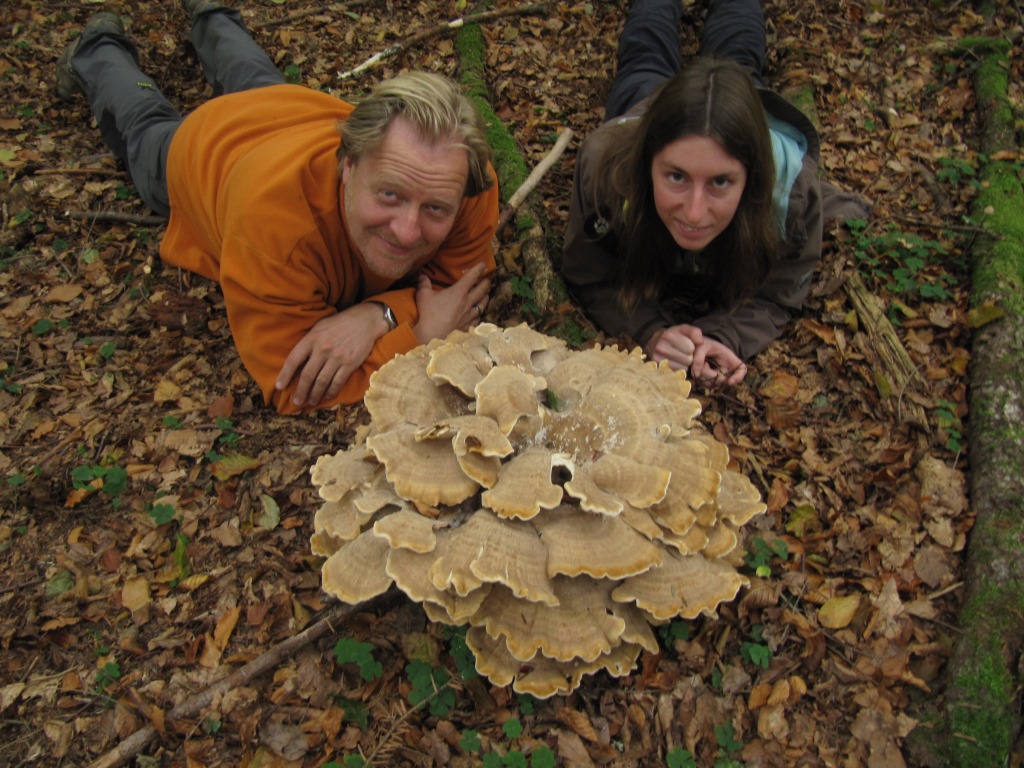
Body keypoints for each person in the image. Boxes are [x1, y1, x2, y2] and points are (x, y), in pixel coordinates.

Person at [56, 1, 498, 414]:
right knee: (146, 123)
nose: (406, 231)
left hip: (293, 111)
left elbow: (456, 288)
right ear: (348, 165)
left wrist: (376, 316)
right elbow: (295, 385)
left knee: (253, 74)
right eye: (390, 195)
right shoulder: (271, 231)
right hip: (207, 151)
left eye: (435, 210)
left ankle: (211, 13)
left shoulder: (461, 179)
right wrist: (417, 337)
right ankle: (96, 47)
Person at [558, 0, 869, 388]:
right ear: (646, 164)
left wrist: (725, 336)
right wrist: (649, 331)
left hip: (739, 104)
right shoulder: (608, 169)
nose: (694, 211)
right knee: (645, 57)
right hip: (645, 103)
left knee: (738, 58)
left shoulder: (792, 194)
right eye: (676, 176)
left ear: (752, 178)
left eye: (720, 182)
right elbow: (590, 274)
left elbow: (778, 294)